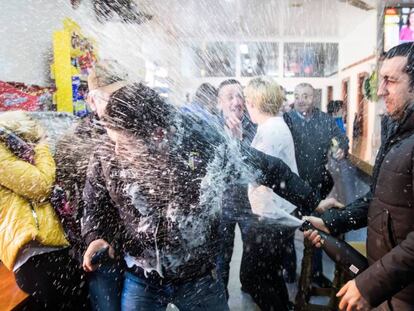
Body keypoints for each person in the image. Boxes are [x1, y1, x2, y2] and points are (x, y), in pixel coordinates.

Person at [82, 83, 337, 311]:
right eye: (114, 142)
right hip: (142, 277)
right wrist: (96, 237)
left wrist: (314, 202)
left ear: (158, 136)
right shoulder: (108, 154)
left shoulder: (203, 147)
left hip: (199, 277)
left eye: (125, 145)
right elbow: (94, 203)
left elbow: (272, 170)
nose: (116, 151)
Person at [304, 42, 414, 310]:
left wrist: (368, 284)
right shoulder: (400, 133)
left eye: (390, 80)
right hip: (391, 287)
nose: (379, 90)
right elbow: (379, 201)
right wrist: (330, 223)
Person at [55, 59, 127, 311]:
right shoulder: (74, 141)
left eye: (123, 95)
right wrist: (96, 240)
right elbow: (76, 203)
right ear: (92, 100)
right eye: (111, 97)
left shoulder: (138, 131)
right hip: (102, 250)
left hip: (140, 250)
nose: (118, 104)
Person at [0, 111, 87, 310]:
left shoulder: (16, 151)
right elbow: (39, 186)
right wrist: (42, 145)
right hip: (37, 253)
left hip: (48, 249)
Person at [283, 83, 349, 287]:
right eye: (298, 95)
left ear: (314, 99)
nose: (301, 99)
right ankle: (289, 270)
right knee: (287, 229)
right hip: (291, 185)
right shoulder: (286, 120)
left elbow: (341, 139)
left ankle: (316, 273)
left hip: (316, 186)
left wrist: (342, 149)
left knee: (316, 231)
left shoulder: (325, 120)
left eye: (306, 96)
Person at [242, 77, 299, 310]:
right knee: (269, 274)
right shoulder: (271, 126)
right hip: (273, 212)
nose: (246, 105)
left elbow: (258, 172)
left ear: (255, 101)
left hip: (272, 216)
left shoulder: (272, 130)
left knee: (253, 277)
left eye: (247, 100)